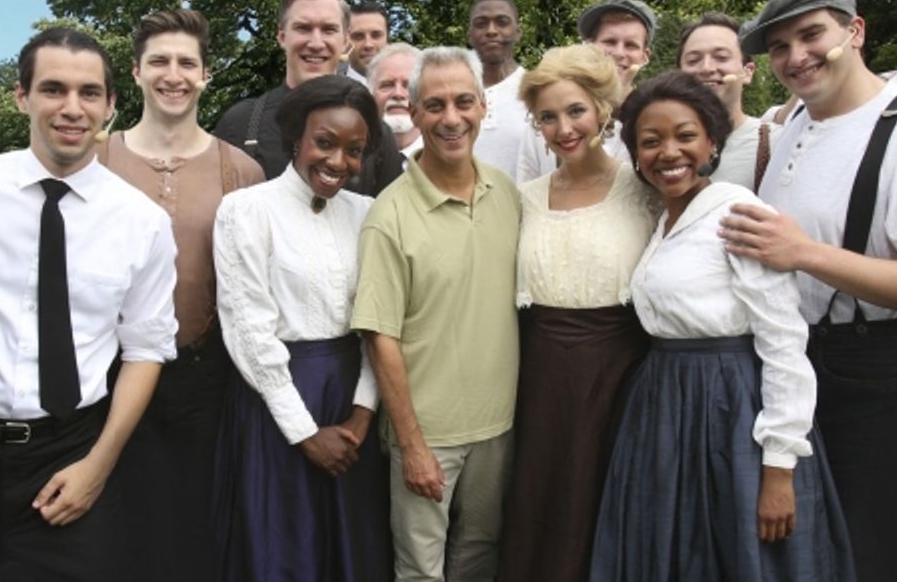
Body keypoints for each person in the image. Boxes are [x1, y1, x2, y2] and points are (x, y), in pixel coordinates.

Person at [723, 0, 897, 581]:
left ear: (855, 31)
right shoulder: (793, 121)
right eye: (779, 46)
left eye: (811, 34)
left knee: (875, 554)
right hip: (798, 366)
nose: (796, 56)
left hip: (884, 372)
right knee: (811, 554)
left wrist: (806, 254)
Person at [590, 71, 854, 581]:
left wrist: (779, 467)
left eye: (685, 136)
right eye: (651, 141)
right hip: (665, 407)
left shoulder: (737, 211)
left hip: (732, 406)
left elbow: (783, 340)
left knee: (736, 548)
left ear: (711, 141)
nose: (669, 152)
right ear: (636, 155)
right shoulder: (662, 220)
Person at [0, 27, 179, 580]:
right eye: (53, 89)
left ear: (111, 105)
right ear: (22, 97)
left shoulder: (141, 221)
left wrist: (98, 466)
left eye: (89, 93)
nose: (72, 108)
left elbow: (146, 350)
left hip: (74, 450)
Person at [101, 9, 264, 582]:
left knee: (197, 523)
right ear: (137, 72)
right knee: (119, 522)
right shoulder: (97, 159)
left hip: (203, 376)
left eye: (187, 63)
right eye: (160, 61)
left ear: (206, 75)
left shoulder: (239, 169)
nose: (174, 74)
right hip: (106, 373)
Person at [212, 75, 390, 581]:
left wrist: (360, 415)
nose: (337, 162)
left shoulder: (370, 214)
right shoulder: (247, 210)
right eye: (325, 143)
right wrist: (304, 432)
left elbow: (378, 322)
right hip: (276, 404)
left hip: (354, 397)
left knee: (352, 546)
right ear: (296, 137)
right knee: (283, 547)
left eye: (354, 150)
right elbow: (248, 326)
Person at [353, 46, 520, 581]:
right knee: (421, 570)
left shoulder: (507, 194)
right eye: (436, 105)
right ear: (416, 114)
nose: (452, 119)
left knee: (480, 552)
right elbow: (380, 337)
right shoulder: (389, 215)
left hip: (499, 425)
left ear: (483, 108)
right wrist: (413, 445)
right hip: (427, 432)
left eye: (464, 102)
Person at [497, 44, 656, 582]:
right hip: (538, 369)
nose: (563, 128)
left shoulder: (645, 190)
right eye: (547, 116)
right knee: (538, 497)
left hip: (620, 369)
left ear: (602, 110)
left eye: (575, 111)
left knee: (600, 497)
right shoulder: (524, 198)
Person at [214, 0, 404, 195]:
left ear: (345, 41)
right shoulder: (240, 123)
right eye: (303, 28)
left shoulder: (374, 131)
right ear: (282, 36)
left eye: (328, 29)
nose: (316, 42)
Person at [515, 0, 654, 183]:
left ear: (645, 56)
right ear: (590, 46)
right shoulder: (544, 119)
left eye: (630, 45)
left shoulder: (650, 119)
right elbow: (525, 185)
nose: (619, 53)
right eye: (610, 42)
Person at [676, 12, 777, 190]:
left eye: (721, 57)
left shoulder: (777, 143)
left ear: (748, 72)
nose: (706, 68)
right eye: (693, 60)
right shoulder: (659, 146)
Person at [467, 0, 528, 180]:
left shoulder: (536, 90)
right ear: (470, 35)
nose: (491, 30)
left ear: (517, 33)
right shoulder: (454, 95)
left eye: (502, 22)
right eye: (481, 24)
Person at [368, 42, 423, 159]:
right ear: (371, 95)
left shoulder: (448, 160)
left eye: (408, 85)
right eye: (387, 85)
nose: (398, 94)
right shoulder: (354, 162)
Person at [346, 1, 390, 85]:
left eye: (376, 35)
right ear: (345, 42)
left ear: (388, 40)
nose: (368, 45)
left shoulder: (412, 91)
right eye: (358, 36)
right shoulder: (326, 90)